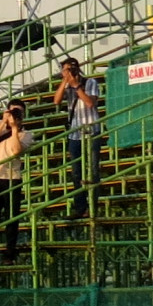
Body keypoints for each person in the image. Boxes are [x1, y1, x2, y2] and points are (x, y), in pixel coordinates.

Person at [0, 100, 30, 267]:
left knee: (11, 220)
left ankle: (9, 255)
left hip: (12, 178)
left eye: (19, 112)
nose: (15, 114)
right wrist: (4, 122)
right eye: (13, 111)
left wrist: (15, 128)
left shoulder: (26, 134)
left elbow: (16, 151)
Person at [56, 57, 101, 213]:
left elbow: (90, 103)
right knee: (76, 172)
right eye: (65, 70)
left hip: (92, 129)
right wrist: (65, 82)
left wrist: (76, 86)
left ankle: (94, 206)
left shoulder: (90, 83)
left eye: (70, 69)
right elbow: (56, 101)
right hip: (75, 133)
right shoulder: (66, 85)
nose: (68, 72)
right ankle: (80, 207)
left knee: (93, 170)